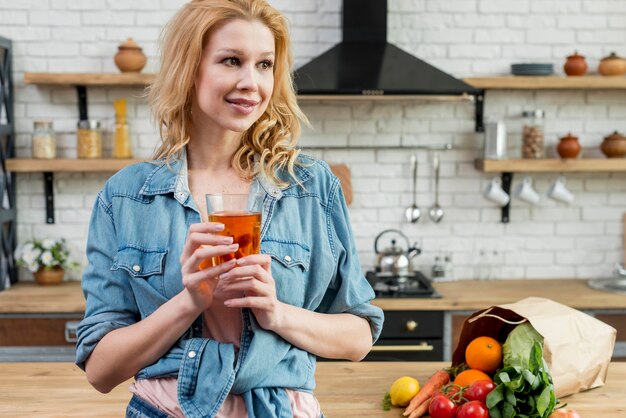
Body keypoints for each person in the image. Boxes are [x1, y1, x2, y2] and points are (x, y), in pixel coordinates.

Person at [75, 0, 383, 417]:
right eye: (231, 60)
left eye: (264, 64)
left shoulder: (310, 186)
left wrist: (276, 313)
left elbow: (359, 337)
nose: (251, 83)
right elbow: (100, 371)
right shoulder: (127, 196)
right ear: (191, 68)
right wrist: (188, 302)